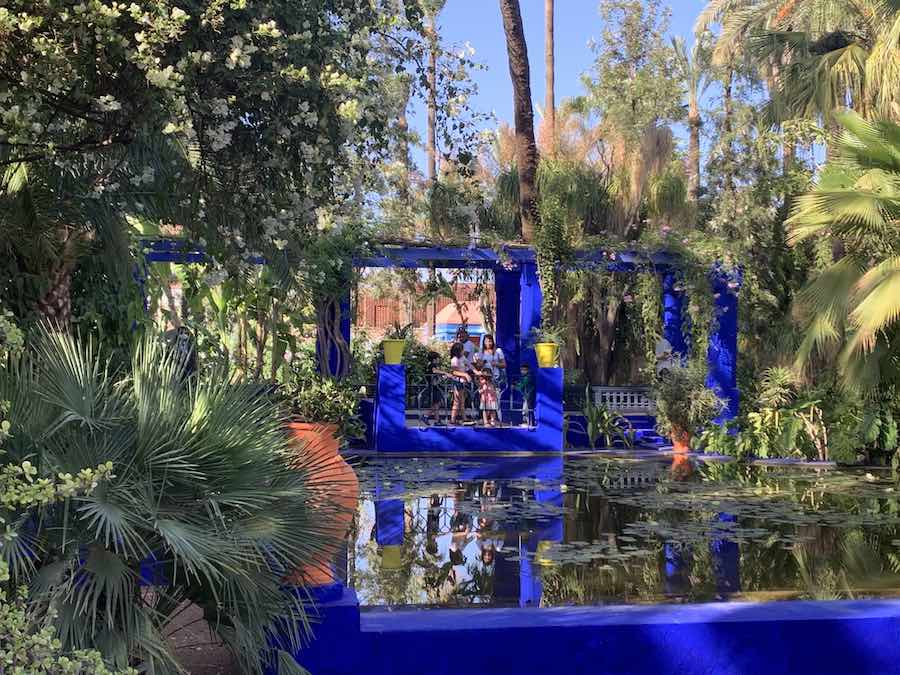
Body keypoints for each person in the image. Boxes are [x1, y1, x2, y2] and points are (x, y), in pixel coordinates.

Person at [422, 351, 448, 425]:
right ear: (434, 359)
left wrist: (443, 377)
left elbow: (436, 379)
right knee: (437, 403)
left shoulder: (431, 365)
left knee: (437, 403)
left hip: (435, 386)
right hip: (433, 387)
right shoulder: (431, 365)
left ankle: (437, 420)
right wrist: (445, 373)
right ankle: (426, 415)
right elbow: (434, 371)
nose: (439, 360)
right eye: (438, 358)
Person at [448, 342, 471, 425]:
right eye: (462, 350)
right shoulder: (454, 360)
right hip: (457, 381)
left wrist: (476, 371)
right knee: (457, 401)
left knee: (462, 400)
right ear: (458, 351)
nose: (463, 351)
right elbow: (454, 372)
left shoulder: (463, 358)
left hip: (462, 381)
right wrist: (465, 374)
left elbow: (469, 365)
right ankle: (453, 418)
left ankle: (463, 417)